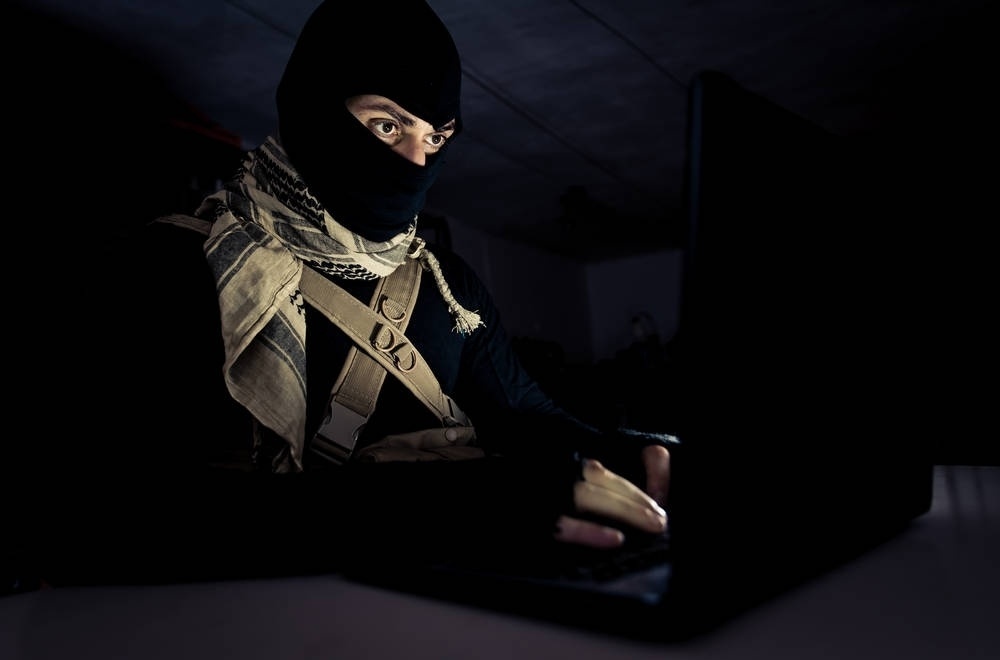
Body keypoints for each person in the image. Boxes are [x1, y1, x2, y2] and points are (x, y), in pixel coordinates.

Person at [21, 0, 674, 587]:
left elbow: (526, 416)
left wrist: (639, 454)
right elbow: (102, 518)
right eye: (388, 127)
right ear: (313, 105)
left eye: (435, 138)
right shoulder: (164, 264)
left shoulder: (447, 284)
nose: (416, 164)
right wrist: (463, 506)